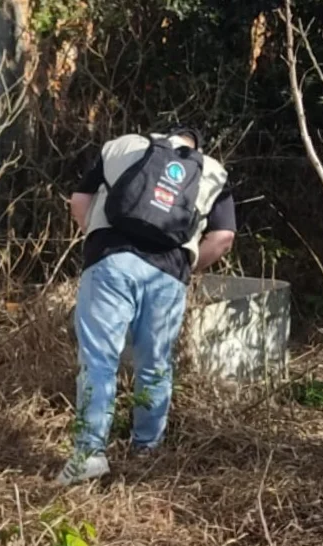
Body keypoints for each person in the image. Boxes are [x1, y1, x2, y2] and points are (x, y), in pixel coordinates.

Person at [57, 125, 237, 486]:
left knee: (99, 360)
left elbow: (79, 201)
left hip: (110, 261)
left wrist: (95, 238)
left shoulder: (122, 145)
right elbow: (223, 238)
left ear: (163, 135)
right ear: (196, 146)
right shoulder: (214, 171)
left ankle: (89, 454)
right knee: (154, 363)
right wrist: (188, 266)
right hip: (168, 274)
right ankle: (147, 450)